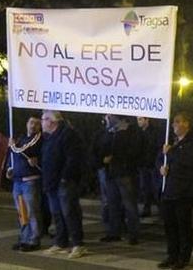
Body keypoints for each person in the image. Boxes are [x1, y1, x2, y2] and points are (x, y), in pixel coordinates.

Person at [157, 112, 193, 270]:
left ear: (187, 124)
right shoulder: (172, 142)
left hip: (184, 191)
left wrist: (170, 152)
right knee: (170, 225)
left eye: (178, 122)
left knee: (183, 226)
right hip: (169, 190)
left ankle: (183, 257)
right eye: (174, 122)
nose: (174, 125)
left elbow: (189, 161)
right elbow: (160, 159)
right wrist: (161, 168)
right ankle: (172, 255)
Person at [40, 110, 86, 259]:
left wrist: (65, 178)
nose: (42, 122)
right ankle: (61, 242)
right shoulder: (50, 137)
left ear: (52, 121)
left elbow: (73, 158)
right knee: (58, 214)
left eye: (43, 119)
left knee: (70, 213)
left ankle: (78, 244)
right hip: (52, 183)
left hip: (64, 182)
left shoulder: (67, 134)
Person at [97, 115, 145, 245]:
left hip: (125, 172)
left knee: (129, 205)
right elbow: (101, 147)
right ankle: (114, 232)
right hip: (111, 172)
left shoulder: (130, 131)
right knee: (113, 203)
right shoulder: (110, 131)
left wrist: (116, 157)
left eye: (109, 115)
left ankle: (133, 233)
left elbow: (134, 152)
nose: (106, 117)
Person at [6, 115, 44, 252]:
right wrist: (10, 169)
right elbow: (13, 157)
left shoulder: (38, 138)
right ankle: (24, 238)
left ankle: (34, 239)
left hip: (30, 181)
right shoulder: (20, 139)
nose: (33, 126)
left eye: (36, 124)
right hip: (18, 181)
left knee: (32, 211)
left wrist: (13, 146)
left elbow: (24, 150)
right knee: (22, 213)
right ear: (27, 123)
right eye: (31, 123)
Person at [138, 116, 164, 218]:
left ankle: (161, 209)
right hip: (143, 164)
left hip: (153, 164)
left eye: (140, 119)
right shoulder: (139, 133)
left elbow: (156, 146)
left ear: (147, 119)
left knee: (155, 187)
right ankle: (147, 207)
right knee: (145, 188)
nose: (138, 122)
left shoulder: (154, 132)